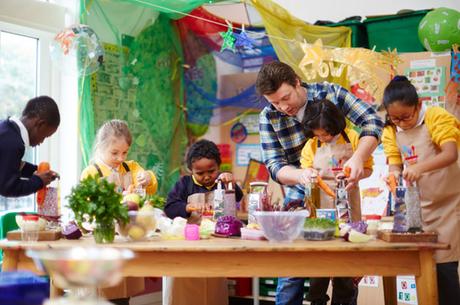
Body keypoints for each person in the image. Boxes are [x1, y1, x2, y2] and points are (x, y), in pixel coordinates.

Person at [256, 61, 383, 305]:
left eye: (285, 98)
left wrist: (358, 158)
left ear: (296, 82)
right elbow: (274, 164)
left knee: (345, 265)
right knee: (294, 271)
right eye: (274, 102)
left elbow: (372, 121)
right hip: (299, 197)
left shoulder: (331, 94)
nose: (283, 108)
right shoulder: (268, 117)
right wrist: (301, 175)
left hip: (342, 197)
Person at [381, 76, 460, 305]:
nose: (402, 123)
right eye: (395, 118)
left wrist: (418, 168)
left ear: (418, 105)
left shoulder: (435, 117)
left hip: (448, 205)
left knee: (444, 268)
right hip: (419, 207)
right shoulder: (390, 130)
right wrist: (394, 174)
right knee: (425, 270)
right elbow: (395, 162)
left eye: (407, 116)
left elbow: (450, 154)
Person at [300, 99, 373, 305]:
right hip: (319, 213)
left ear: (337, 124)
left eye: (327, 133)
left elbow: (368, 169)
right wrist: (308, 175)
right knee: (318, 272)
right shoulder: (311, 146)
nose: (323, 137)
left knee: (345, 272)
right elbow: (305, 171)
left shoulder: (353, 138)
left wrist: (354, 175)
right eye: (319, 134)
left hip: (348, 209)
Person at [81, 119, 158, 305]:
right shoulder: (92, 172)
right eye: (114, 153)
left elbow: (151, 186)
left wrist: (147, 178)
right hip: (104, 236)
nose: (121, 158)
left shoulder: (130, 167)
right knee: (104, 287)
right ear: (101, 147)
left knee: (124, 285)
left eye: (125, 152)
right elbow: (88, 207)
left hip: (127, 234)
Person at [164, 139, 243, 305]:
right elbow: (170, 207)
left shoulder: (222, 182)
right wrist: (188, 207)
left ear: (219, 166)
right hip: (188, 247)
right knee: (184, 291)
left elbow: (238, 197)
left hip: (215, 245)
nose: (207, 176)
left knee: (213, 288)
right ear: (191, 170)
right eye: (200, 173)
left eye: (211, 171)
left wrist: (231, 183)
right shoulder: (184, 185)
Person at [0, 96, 60, 197]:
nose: (41, 142)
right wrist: (39, 181)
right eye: (44, 136)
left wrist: (36, 171)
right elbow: (8, 188)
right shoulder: (14, 144)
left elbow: (9, 166)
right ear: (40, 124)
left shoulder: (6, 129)